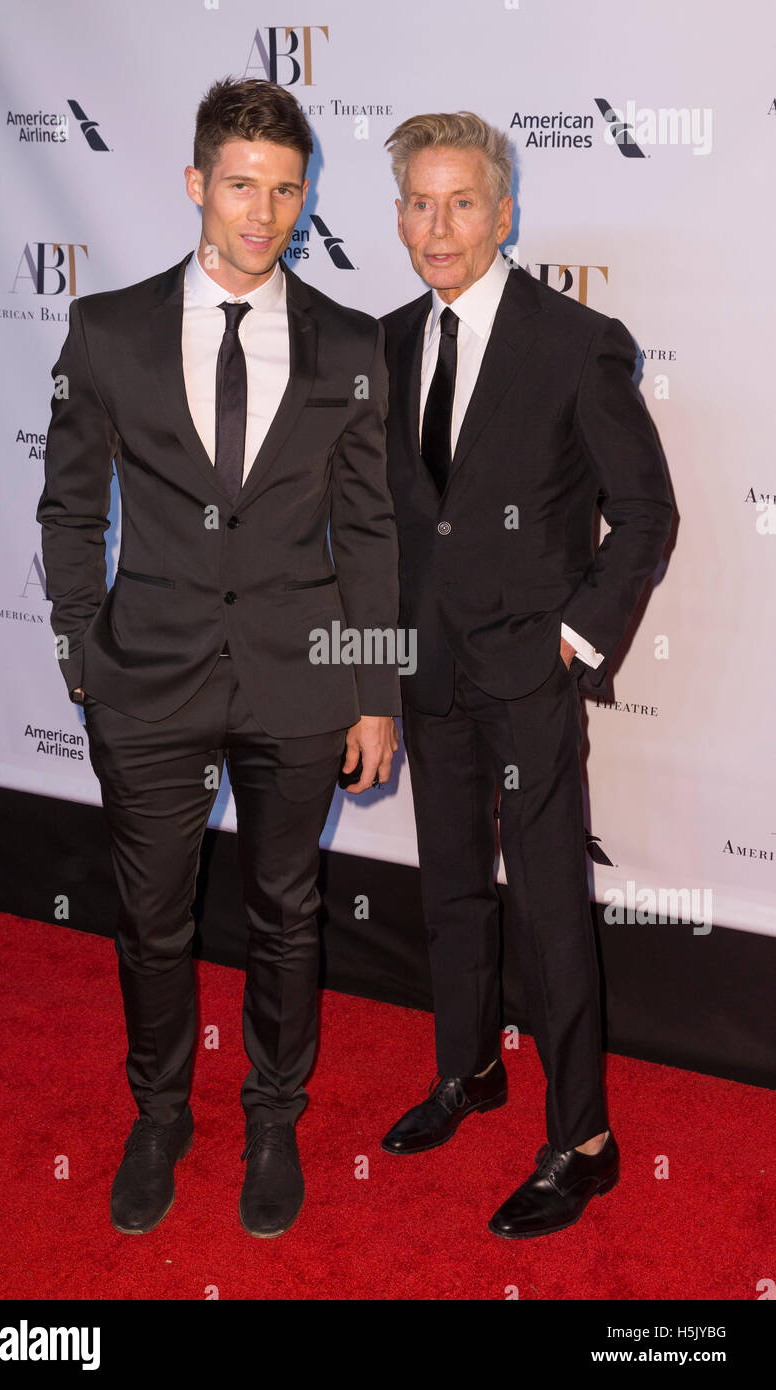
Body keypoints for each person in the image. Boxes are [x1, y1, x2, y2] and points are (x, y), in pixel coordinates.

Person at [37, 76, 400, 1241]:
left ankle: (273, 1117)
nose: (262, 211)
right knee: (151, 921)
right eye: (240, 184)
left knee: (288, 914)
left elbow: (373, 531)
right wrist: (82, 651)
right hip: (148, 677)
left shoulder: (348, 341)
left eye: (285, 189)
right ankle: (158, 1115)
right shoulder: (106, 328)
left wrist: (375, 689)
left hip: (301, 682)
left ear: (305, 197)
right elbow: (66, 506)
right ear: (197, 183)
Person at [379, 111, 672, 1238]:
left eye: (461, 202)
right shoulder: (386, 340)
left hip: (529, 671)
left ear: (504, 213)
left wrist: (574, 639)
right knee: (450, 887)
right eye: (419, 201)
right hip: (426, 666)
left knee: (550, 906)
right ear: (398, 214)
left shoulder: (575, 341)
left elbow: (643, 513)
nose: (438, 224)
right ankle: (469, 1070)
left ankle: (583, 1139)